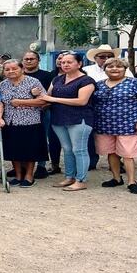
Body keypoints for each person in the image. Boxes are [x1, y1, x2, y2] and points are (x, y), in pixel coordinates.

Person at [94, 57, 137, 194]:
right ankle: (116, 178)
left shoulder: (135, 83)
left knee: (128, 154)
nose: (114, 69)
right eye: (110, 67)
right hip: (104, 125)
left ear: (125, 69)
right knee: (111, 152)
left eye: (119, 66)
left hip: (128, 125)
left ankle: (132, 181)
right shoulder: (99, 85)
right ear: (105, 69)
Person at [40, 52, 96, 192]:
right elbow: (47, 96)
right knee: (67, 149)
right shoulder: (57, 79)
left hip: (79, 119)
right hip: (59, 119)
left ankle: (81, 180)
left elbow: (81, 101)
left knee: (79, 149)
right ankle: (69, 177)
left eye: (69, 62)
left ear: (79, 64)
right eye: (63, 62)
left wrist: (54, 100)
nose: (65, 64)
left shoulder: (86, 81)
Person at [0, 59, 48, 187]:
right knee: (13, 150)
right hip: (10, 122)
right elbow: (0, 103)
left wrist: (21, 102)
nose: (11, 71)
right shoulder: (3, 85)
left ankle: (29, 176)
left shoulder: (33, 82)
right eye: (7, 69)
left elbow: (44, 100)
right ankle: (18, 176)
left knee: (30, 150)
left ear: (22, 69)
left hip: (30, 121)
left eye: (14, 68)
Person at [21, 51, 56, 178]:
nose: (29, 61)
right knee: (23, 140)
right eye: (26, 59)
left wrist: (43, 106)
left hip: (43, 112)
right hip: (21, 114)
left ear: (38, 60)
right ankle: (21, 167)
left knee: (42, 139)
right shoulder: (18, 75)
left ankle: (41, 166)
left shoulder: (47, 76)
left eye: (32, 59)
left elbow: (51, 95)